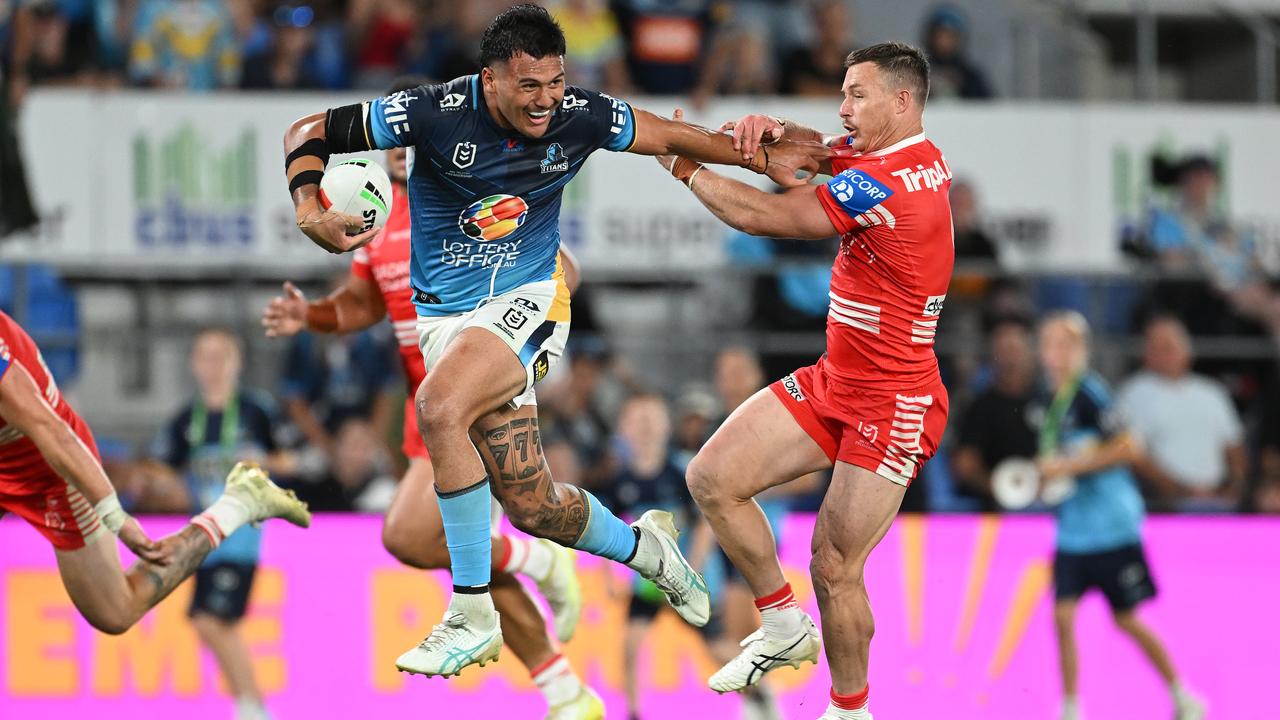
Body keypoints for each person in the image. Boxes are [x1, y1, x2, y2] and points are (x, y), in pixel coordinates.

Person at [280, 3, 829, 679]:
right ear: (490, 80)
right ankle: (648, 550)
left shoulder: (581, 114)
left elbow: (670, 135)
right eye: (529, 85)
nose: (546, 100)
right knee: (533, 506)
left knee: (438, 407)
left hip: (531, 301)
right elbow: (307, 130)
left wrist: (764, 156)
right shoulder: (432, 112)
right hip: (447, 319)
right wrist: (307, 205)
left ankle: (472, 613)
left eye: (555, 82)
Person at [265, 73, 603, 720]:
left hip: (479, 391)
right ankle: (563, 688)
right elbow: (363, 304)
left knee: (411, 536)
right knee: (459, 555)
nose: (400, 147)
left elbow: (570, 272)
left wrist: (524, 300)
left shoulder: (474, 197)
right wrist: (310, 316)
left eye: (410, 134)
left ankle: (539, 558)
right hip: (428, 407)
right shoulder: (377, 217)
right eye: (391, 137)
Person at [658, 42, 953, 720]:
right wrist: (773, 130)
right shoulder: (897, 154)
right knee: (712, 478)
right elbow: (819, 152)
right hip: (837, 380)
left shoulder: (889, 180)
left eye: (856, 95)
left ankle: (850, 710)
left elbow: (768, 217)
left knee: (833, 564)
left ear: (901, 101)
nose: (843, 107)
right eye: (843, 92)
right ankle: (784, 623)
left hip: (894, 404)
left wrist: (680, 163)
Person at [0, 310, 310, 637]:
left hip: (47, 469)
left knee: (115, 611)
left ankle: (237, 505)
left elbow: (51, 430)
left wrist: (115, 515)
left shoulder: (257, 410)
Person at [1031, 311, 1205, 720]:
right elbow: (1056, 462)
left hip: (1112, 526)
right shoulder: (1044, 401)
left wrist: (1070, 466)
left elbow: (1129, 447)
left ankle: (1181, 694)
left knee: (1126, 619)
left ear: (1080, 350)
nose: (1056, 353)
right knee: (1062, 616)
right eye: (1050, 343)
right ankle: (1071, 708)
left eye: (1064, 344)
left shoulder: (1091, 393)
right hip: (1073, 530)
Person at [149, 328, 288, 720]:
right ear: (194, 365)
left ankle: (253, 707)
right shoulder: (185, 419)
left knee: (212, 620)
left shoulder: (257, 411)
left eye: (220, 356)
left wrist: (263, 462)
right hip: (205, 541)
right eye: (204, 357)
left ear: (236, 362)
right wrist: (165, 485)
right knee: (207, 621)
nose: (212, 366)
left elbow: (294, 459)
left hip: (241, 538)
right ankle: (250, 704)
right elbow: (161, 469)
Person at [600, 392, 717, 720]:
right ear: (624, 429)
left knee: (716, 645)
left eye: (652, 420)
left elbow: (706, 523)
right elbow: (603, 532)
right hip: (649, 582)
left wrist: (692, 569)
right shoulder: (620, 481)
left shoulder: (681, 472)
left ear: (666, 426)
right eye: (639, 421)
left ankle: (758, 695)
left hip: (683, 580)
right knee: (630, 645)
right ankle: (634, 713)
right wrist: (609, 577)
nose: (647, 428)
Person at [1117, 315, 1246, 512]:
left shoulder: (1212, 392)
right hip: (1162, 503)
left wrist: (1235, 487)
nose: (1166, 354)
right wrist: (1180, 490)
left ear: (1188, 350)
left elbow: (1234, 447)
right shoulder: (1133, 394)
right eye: (1157, 347)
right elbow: (1133, 454)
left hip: (1219, 500)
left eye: (1171, 346)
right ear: (1146, 354)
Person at [951, 320, 1038, 510]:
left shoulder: (1048, 398)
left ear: (1031, 353)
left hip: (1048, 498)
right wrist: (1003, 489)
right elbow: (964, 463)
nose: (1011, 360)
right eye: (1005, 352)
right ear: (993, 357)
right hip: (994, 503)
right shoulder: (979, 406)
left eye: (1016, 350)